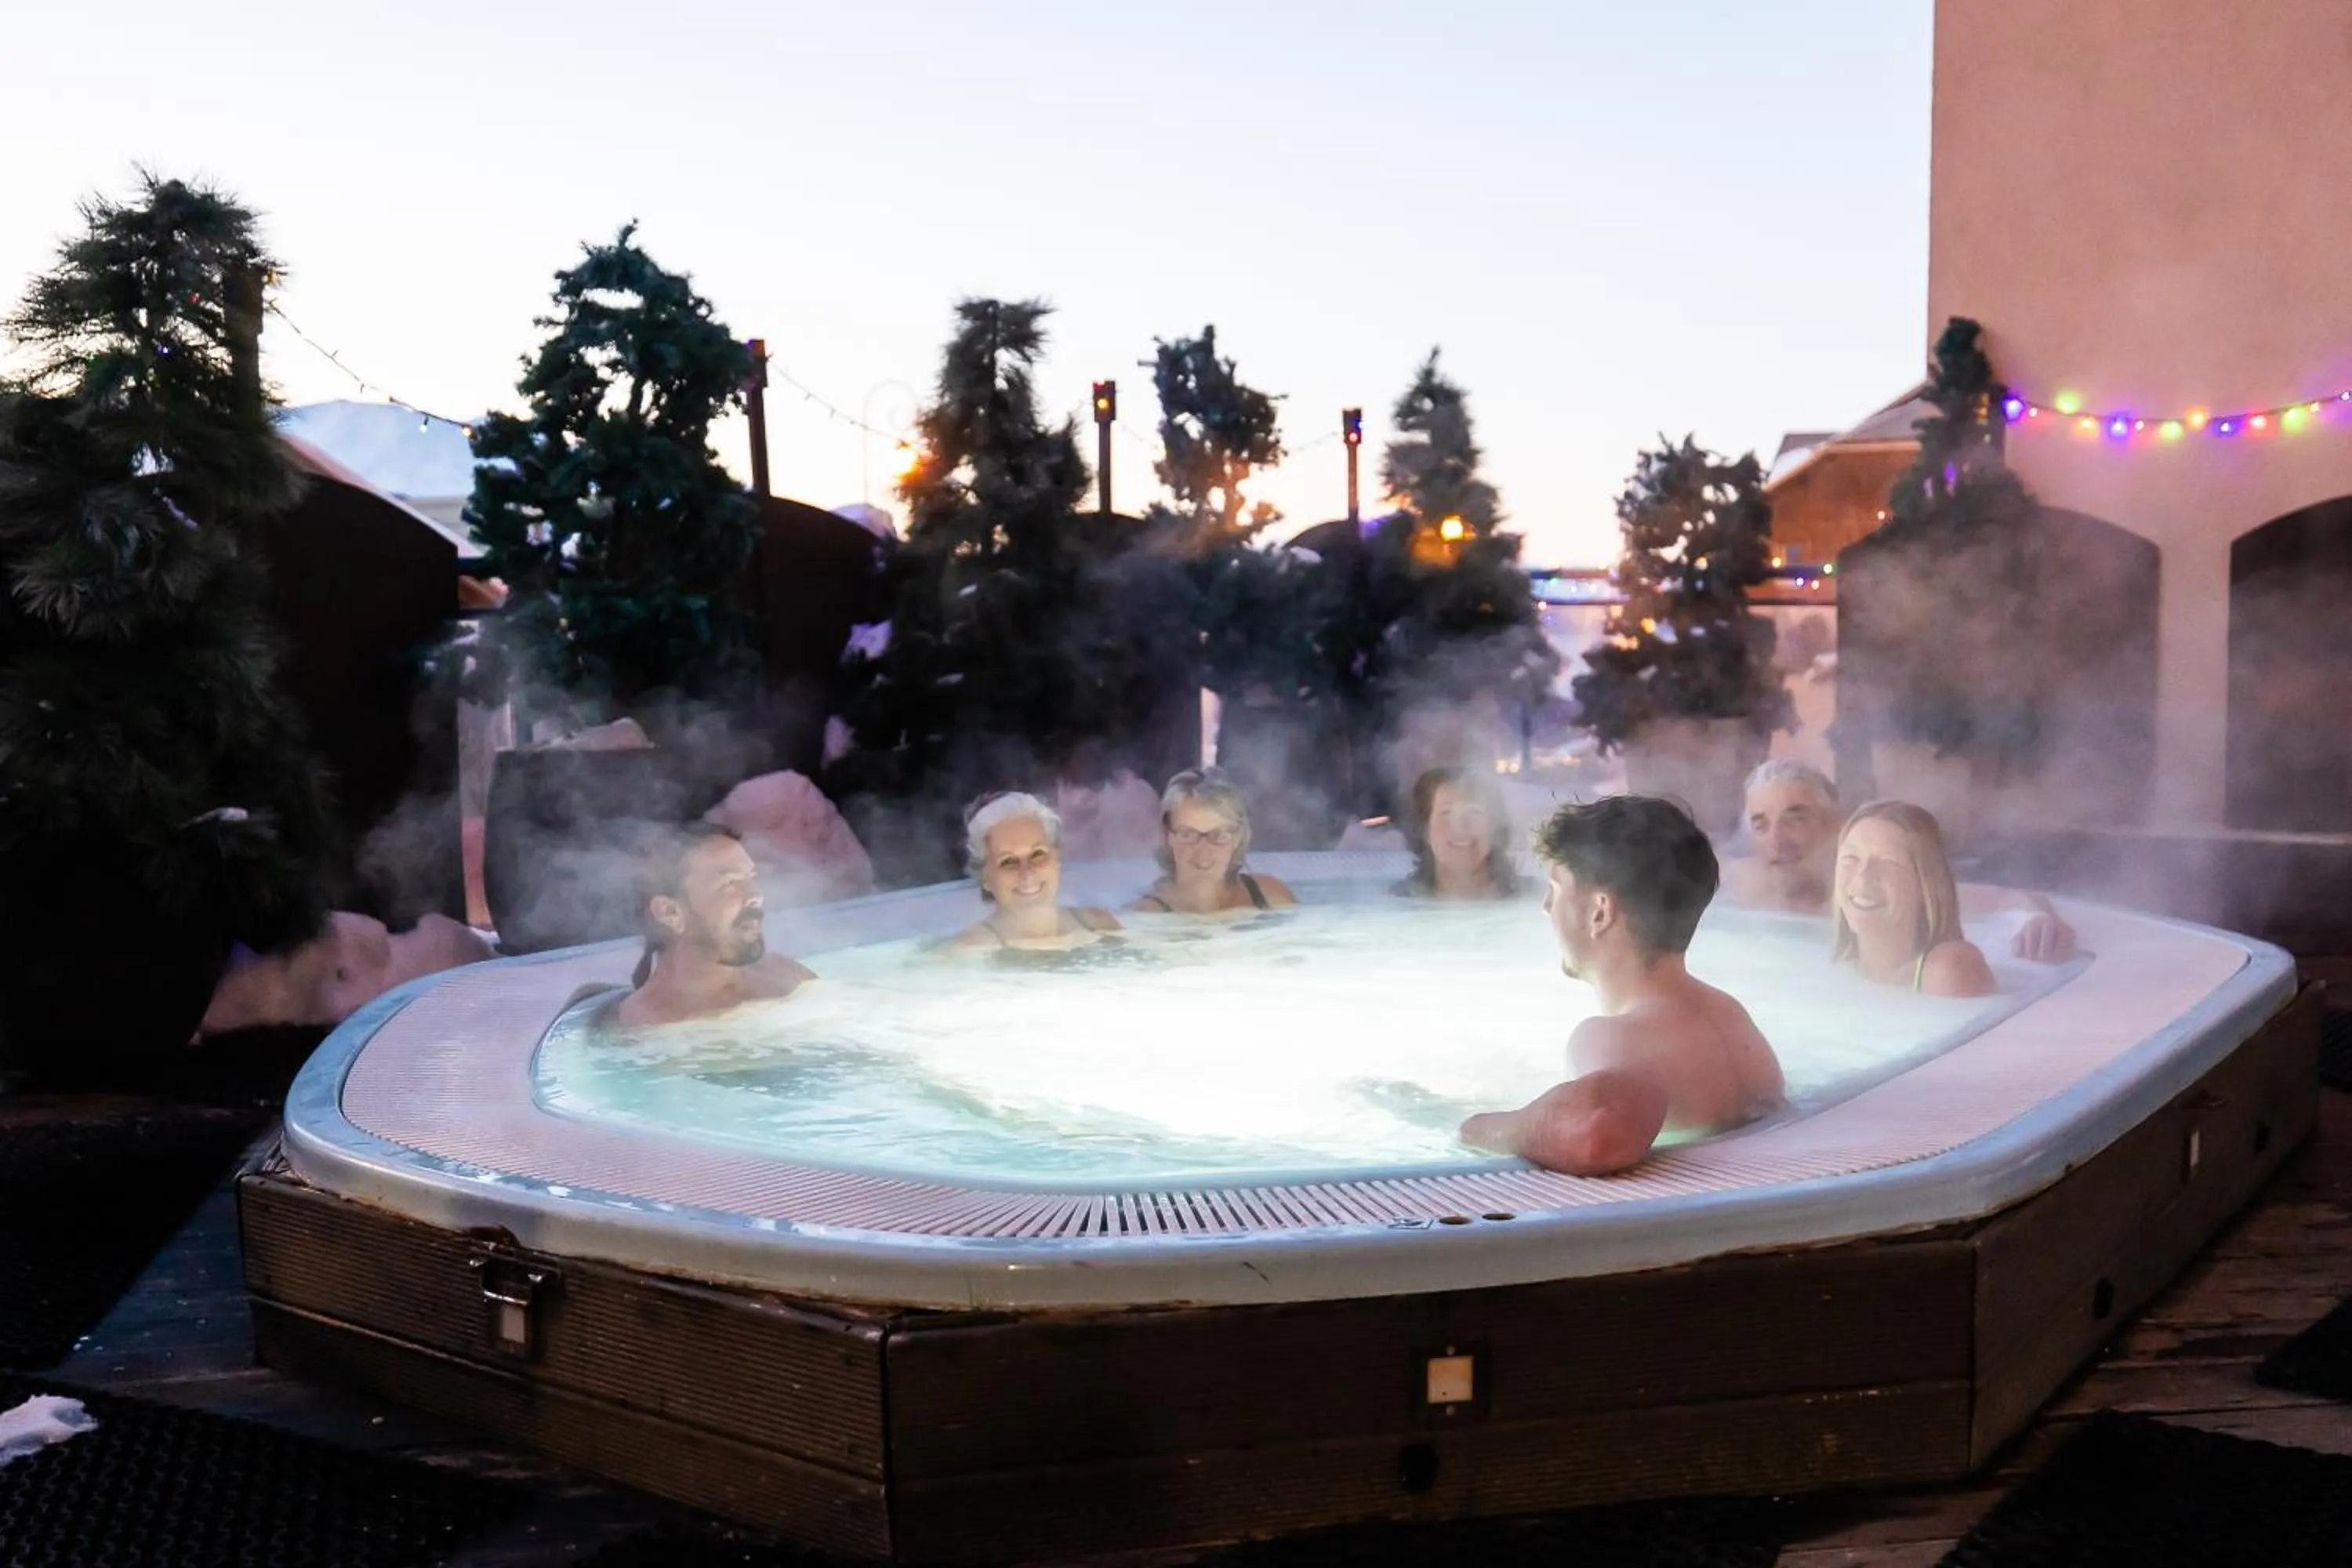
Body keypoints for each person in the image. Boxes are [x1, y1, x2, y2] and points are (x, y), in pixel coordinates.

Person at [1459, 797, 1784, 1176]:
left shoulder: (1610, 1036)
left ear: (1600, 912)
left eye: (1555, 889)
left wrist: (1480, 1129)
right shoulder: (1730, 1016)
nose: (1546, 907)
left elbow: (1595, 1132)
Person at [1719, 760, 2078, 964]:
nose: (1777, 840)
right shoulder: (1750, 885)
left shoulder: (1878, 890)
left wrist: (2035, 920)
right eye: (1761, 825)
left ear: (1838, 824)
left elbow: (2008, 900)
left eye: (1795, 819)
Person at [612, 822, 815, 1029]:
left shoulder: (785, 975)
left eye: (751, 877)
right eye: (729, 883)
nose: (755, 896)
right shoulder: (653, 1026)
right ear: (670, 912)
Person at [1831, 800, 1998, 998]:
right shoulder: (1836, 969)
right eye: (1851, 858)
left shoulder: (1950, 970)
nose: (1863, 877)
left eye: (1888, 862)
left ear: (1926, 884)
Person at [945, 792, 1125, 951]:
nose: (1027, 873)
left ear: (1057, 857)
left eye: (1038, 854)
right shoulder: (969, 949)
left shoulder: (1098, 924)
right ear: (985, 877)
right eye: (1008, 861)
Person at [1127, 769, 1298, 916]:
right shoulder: (1146, 915)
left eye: (1219, 835)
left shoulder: (1272, 897)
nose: (1204, 852)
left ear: (1238, 837)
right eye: (1188, 835)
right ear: (1167, 836)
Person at [1396, 766, 1522, 900]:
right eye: (1446, 813)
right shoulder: (1399, 901)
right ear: (1425, 828)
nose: (1460, 827)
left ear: (1495, 827)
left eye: (1474, 812)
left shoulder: (1531, 898)